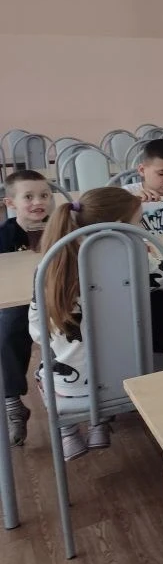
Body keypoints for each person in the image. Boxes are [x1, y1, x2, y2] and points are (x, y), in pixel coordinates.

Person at [28, 188, 163, 460]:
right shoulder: (135, 257)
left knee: (50, 363)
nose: (142, 230)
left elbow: (36, 331)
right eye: (138, 223)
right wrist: (155, 256)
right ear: (118, 227)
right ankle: (99, 423)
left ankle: (70, 432)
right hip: (130, 376)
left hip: (69, 388)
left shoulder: (49, 266)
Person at [0, 170, 52, 446]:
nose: (38, 202)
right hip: (20, 300)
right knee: (7, 331)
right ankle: (13, 403)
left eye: (44, 195)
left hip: (57, 296)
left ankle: (85, 393)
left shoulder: (59, 226)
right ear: (10, 203)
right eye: (28, 197)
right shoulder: (5, 235)